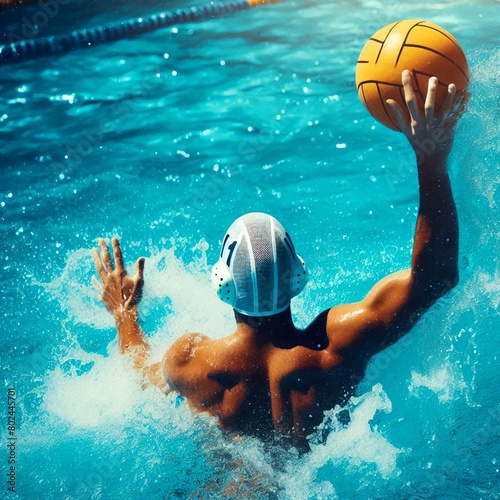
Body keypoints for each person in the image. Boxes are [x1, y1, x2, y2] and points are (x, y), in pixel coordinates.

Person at [92, 70, 469, 452]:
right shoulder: (336, 346)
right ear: (297, 275)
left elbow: (139, 378)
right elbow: (436, 278)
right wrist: (431, 162)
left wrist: (124, 313)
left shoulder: (191, 362)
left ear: (222, 284)